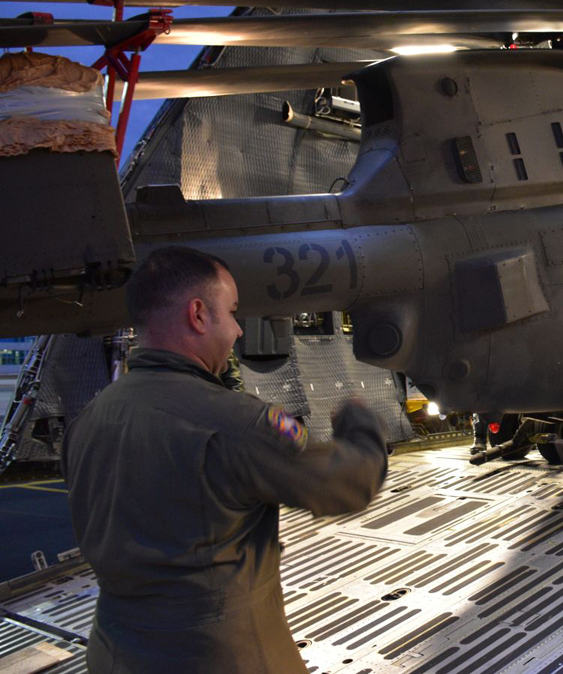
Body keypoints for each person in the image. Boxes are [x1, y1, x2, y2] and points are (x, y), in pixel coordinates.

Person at [62, 246, 388, 674]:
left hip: (114, 653)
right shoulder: (237, 422)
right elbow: (347, 483)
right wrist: (359, 423)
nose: (237, 330)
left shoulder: (88, 419)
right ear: (198, 314)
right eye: (232, 313)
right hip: (221, 656)